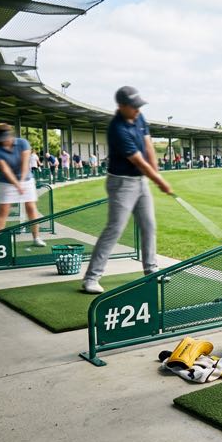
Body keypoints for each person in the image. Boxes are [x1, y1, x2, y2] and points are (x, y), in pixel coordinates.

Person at [81, 86, 172, 294]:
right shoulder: (117, 129)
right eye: (134, 107)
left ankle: (151, 270)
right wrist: (159, 181)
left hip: (140, 182)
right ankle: (91, 278)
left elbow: (148, 146)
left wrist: (157, 174)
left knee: (149, 225)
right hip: (121, 184)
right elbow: (139, 161)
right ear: (122, 106)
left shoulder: (139, 118)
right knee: (115, 228)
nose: (138, 110)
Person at [0, 124, 45, 246]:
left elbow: (25, 164)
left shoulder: (22, 143)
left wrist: (22, 182)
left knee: (31, 207)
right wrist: (16, 184)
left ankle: (36, 238)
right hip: (6, 183)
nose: (5, 141)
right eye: (2, 140)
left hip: (27, 179)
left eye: (6, 138)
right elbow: (5, 169)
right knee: (3, 211)